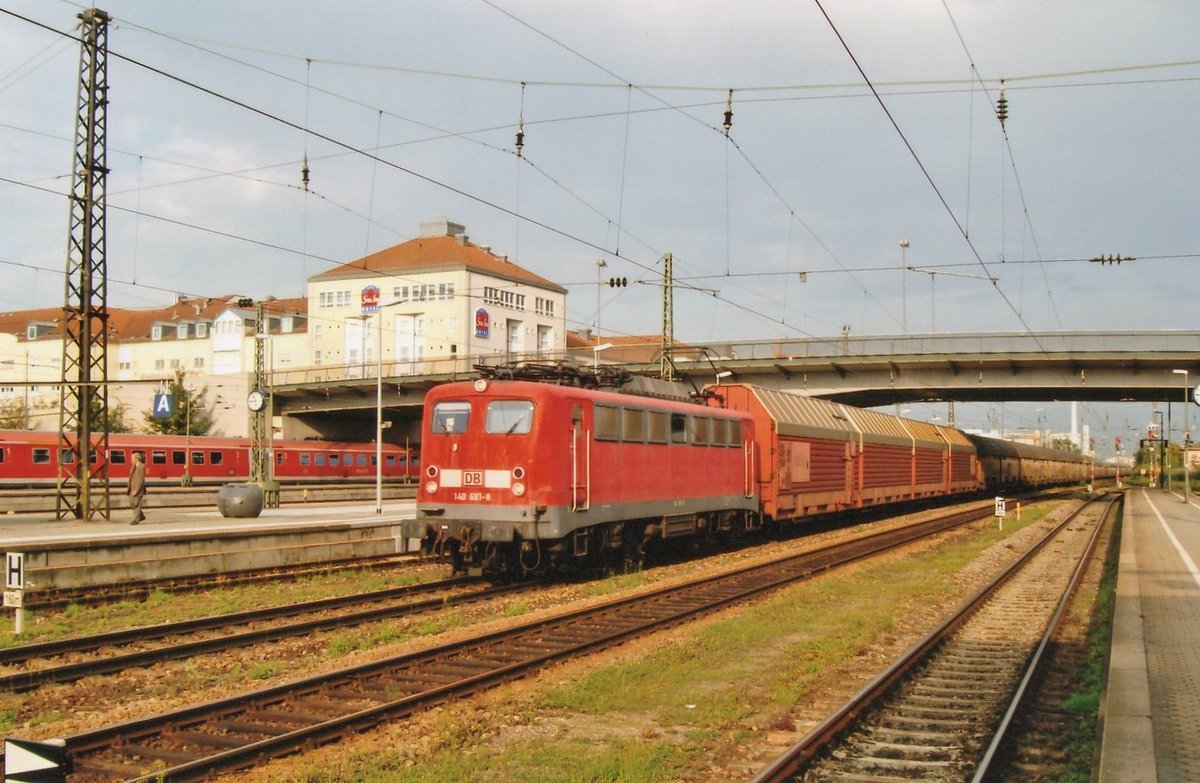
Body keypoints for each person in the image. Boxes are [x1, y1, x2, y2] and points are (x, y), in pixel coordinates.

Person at [128, 451, 147, 524]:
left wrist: (136, 490)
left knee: (136, 504)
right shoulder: (134, 467)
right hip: (131, 488)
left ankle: (135, 520)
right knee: (132, 503)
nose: (131, 460)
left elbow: (140, 479)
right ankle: (141, 515)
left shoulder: (141, 467)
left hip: (137, 489)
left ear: (137, 459)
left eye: (132, 458)